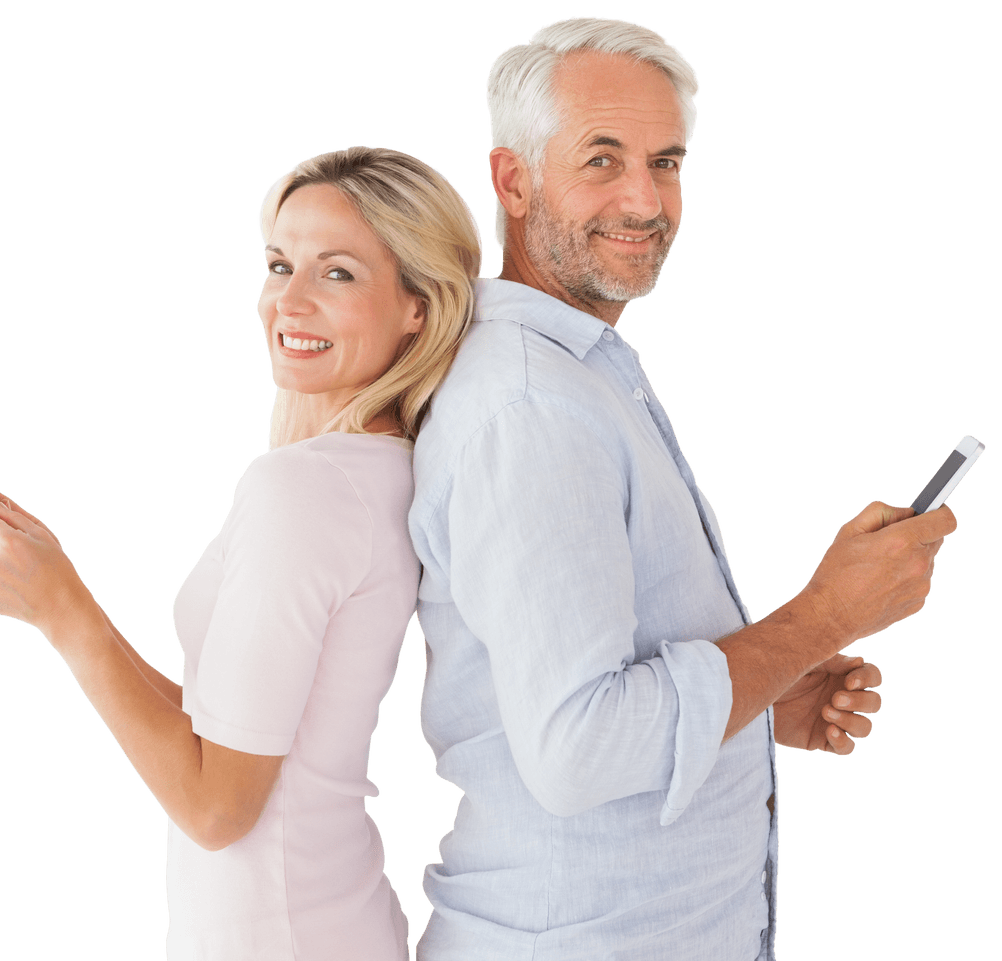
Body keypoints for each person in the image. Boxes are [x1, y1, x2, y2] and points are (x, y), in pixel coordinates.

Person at [408, 18, 959, 961]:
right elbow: (577, 746)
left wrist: (756, 700)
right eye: (603, 159)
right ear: (511, 180)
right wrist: (821, 619)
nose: (645, 198)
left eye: (667, 163)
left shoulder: (579, 372)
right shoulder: (533, 405)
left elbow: (566, 689)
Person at [0, 145, 483, 961]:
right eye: (280, 264)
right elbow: (236, 734)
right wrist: (61, 587)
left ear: (419, 305)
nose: (288, 301)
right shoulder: (379, 473)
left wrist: (62, 615)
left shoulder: (305, 490)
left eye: (337, 273)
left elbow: (217, 807)